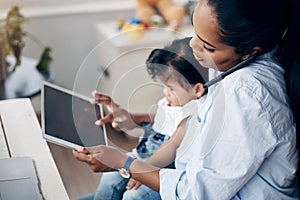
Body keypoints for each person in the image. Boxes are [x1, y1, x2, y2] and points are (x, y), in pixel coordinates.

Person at [73, 0, 300, 199]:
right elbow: (190, 122)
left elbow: (196, 193)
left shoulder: (245, 96)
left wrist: (125, 163)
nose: (193, 45)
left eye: (208, 46)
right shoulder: (230, 64)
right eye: (195, 32)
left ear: (249, 52)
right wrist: (137, 119)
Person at [77, 37, 207, 200]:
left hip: (160, 166)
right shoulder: (178, 100)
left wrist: (139, 169)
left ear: (197, 90)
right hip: (143, 157)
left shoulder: (194, 114)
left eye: (171, 88)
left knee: (130, 193)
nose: (165, 92)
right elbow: (163, 118)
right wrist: (133, 118)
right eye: (164, 86)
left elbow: (170, 146)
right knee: (111, 178)